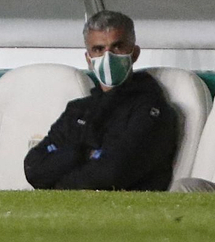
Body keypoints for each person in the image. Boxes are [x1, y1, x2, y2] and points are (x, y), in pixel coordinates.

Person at [24, 11, 178, 192]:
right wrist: (81, 153)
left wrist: (58, 182)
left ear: (134, 53)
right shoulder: (78, 110)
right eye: (98, 49)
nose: (108, 56)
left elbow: (112, 173)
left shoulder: (152, 111)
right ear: (88, 59)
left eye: (117, 47)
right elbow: (34, 168)